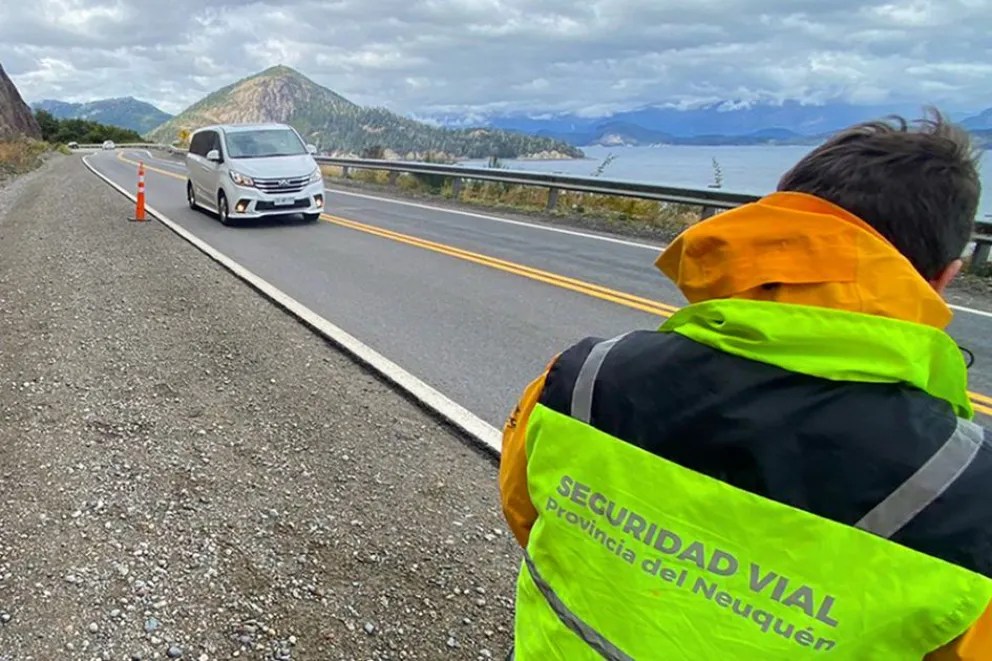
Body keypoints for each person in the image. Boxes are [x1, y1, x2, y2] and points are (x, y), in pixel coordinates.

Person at [499, 109, 992, 660]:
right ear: (946, 276)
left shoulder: (585, 377)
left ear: (776, 228)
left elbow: (525, 511)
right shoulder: (967, 496)